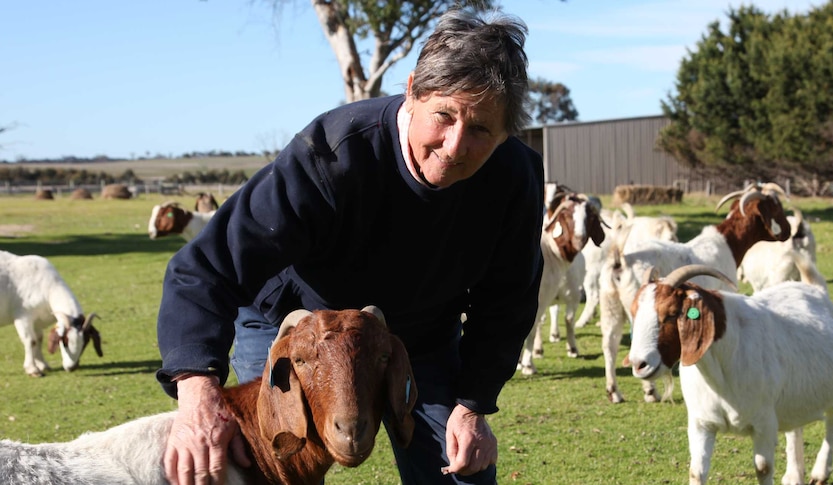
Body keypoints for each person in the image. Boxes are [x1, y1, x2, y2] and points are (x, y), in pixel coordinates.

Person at [155, 6, 543, 485]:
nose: (455, 144)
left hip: (419, 341)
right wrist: (197, 394)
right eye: (443, 115)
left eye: (482, 129)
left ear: (507, 133)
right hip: (294, 328)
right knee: (269, 468)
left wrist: (473, 406)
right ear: (412, 94)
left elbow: (508, 299)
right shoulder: (332, 153)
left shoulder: (513, 178)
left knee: (461, 475)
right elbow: (205, 267)